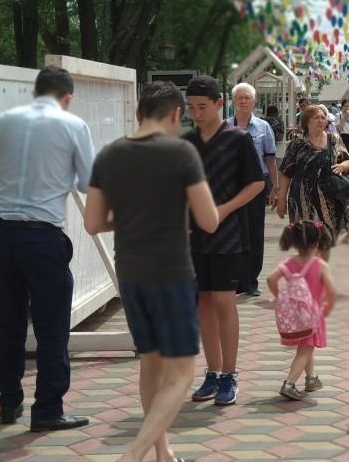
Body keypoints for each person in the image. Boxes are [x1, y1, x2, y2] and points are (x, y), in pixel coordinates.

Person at [83, 82, 220, 462]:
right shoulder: (181, 153)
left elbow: (92, 222)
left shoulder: (108, 155)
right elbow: (209, 220)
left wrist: (130, 219)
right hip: (170, 272)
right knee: (181, 375)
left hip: (130, 273)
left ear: (139, 113)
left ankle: (163, 451)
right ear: (176, 114)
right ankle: (133, 455)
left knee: (151, 363)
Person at [0, 66, 93, 432]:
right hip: (41, 235)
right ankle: (48, 408)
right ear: (68, 97)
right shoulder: (73, 125)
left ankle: (9, 402)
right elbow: (87, 182)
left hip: (1, 233)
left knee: (8, 320)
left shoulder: (8, 119)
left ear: (35, 92)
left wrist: (14, 165)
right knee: (52, 324)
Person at [184, 75, 265, 406]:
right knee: (203, 301)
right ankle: (212, 372)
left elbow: (256, 183)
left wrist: (224, 209)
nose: (196, 114)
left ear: (219, 104)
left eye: (202, 107)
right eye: (191, 107)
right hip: (195, 234)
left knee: (223, 300)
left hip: (229, 233)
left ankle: (230, 374)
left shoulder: (237, 139)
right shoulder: (187, 142)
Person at [267, 221, 336, 401]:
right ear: (317, 242)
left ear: (294, 242)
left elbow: (270, 279)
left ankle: (311, 379)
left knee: (306, 346)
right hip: (312, 315)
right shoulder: (320, 265)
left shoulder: (289, 263)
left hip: (295, 315)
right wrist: (328, 307)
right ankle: (289, 384)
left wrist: (279, 296)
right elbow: (332, 291)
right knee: (305, 350)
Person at [277, 105, 349, 253]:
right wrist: (281, 199)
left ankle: (318, 266)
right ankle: (309, 264)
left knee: (325, 241)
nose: (321, 120)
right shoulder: (297, 143)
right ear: (307, 121)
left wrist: (343, 166)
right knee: (305, 240)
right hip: (302, 200)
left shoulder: (333, 139)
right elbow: (286, 172)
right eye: (316, 118)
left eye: (323, 117)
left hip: (329, 201)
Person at [228, 83, 279, 296]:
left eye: (247, 97)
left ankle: (250, 281)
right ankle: (235, 279)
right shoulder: (224, 127)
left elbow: (270, 159)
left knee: (255, 233)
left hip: (257, 185)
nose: (243, 101)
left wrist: (275, 187)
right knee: (233, 233)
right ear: (233, 101)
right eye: (239, 97)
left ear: (254, 101)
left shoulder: (263, 127)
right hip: (231, 186)